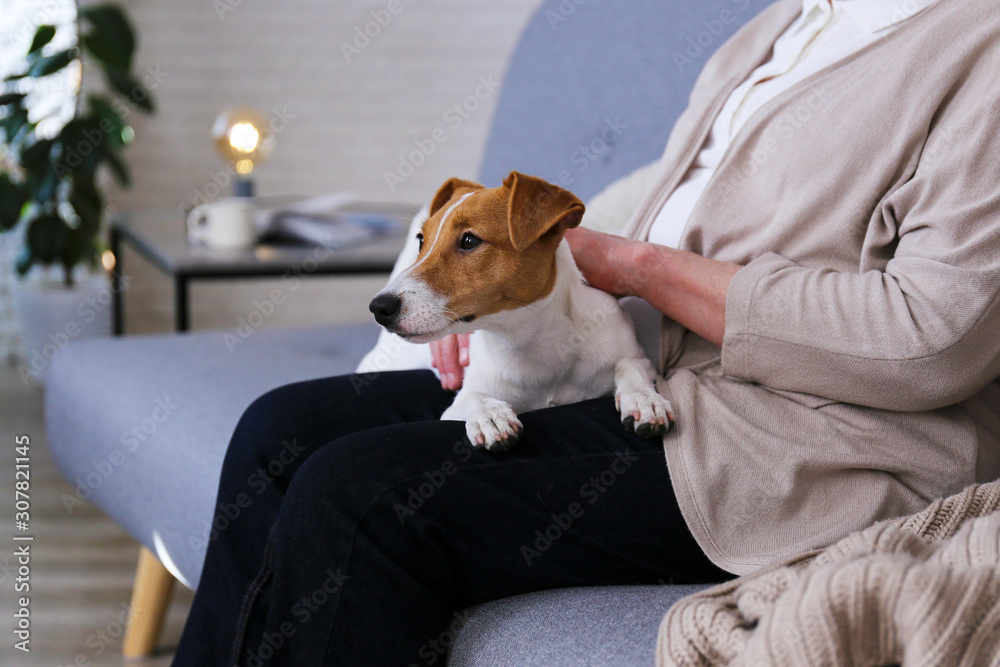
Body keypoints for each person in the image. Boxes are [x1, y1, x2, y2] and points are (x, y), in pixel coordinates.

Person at [175, 0, 1000, 663]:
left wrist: (641, 268)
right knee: (276, 434)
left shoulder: (979, 50)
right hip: (647, 375)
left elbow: (934, 337)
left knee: (359, 498)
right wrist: (506, 299)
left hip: (799, 438)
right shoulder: (791, 21)